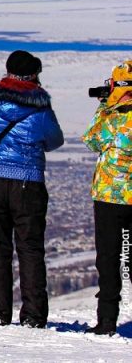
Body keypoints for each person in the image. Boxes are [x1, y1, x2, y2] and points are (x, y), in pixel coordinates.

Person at [0, 50, 63, 328]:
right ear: (33, 74)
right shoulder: (40, 108)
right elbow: (54, 139)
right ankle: (33, 316)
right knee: (30, 249)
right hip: (28, 182)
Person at [83, 60, 132, 336]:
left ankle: (107, 321)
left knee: (110, 259)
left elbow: (91, 139)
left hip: (110, 198)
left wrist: (104, 105)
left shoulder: (113, 119)